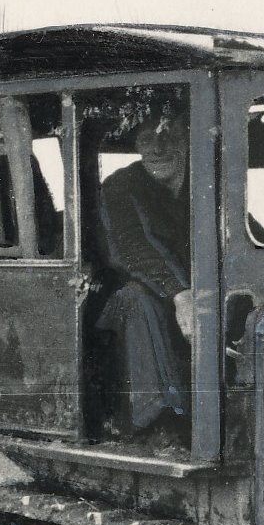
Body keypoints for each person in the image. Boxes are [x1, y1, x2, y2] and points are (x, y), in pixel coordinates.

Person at [93, 112, 194, 441]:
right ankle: (157, 422)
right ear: (136, 144)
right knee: (134, 298)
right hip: (123, 309)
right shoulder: (121, 186)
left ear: (187, 136)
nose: (158, 148)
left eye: (168, 137)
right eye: (148, 139)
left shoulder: (206, 184)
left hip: (192, 300)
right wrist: (180, 294)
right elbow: (131, 248)